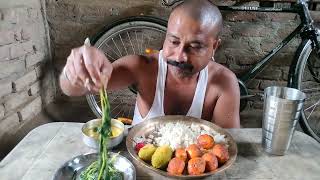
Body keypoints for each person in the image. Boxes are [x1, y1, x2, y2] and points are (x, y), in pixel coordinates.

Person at [59, 0, 240, 128]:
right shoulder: (143, 67)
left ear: (214, 46)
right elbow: (71, 89)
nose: (179, 57)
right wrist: (75, 69)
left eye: (195, 46)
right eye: (174, 42)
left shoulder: (224, 82)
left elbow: (228, 144)